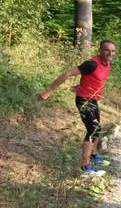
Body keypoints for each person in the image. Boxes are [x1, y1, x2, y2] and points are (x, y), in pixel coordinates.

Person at [38, 40, 116, 176]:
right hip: (84, 100)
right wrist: (48, 91)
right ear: (100, 50)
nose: (110, 53)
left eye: (113, 51)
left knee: (97, 128)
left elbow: (92, 78)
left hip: (93, 99)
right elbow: (67, 74)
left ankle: (92, 155)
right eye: (107, 50)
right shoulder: (91, 63)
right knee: (93, 129)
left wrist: (82, 85)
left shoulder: (108, 64)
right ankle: (85, 167)